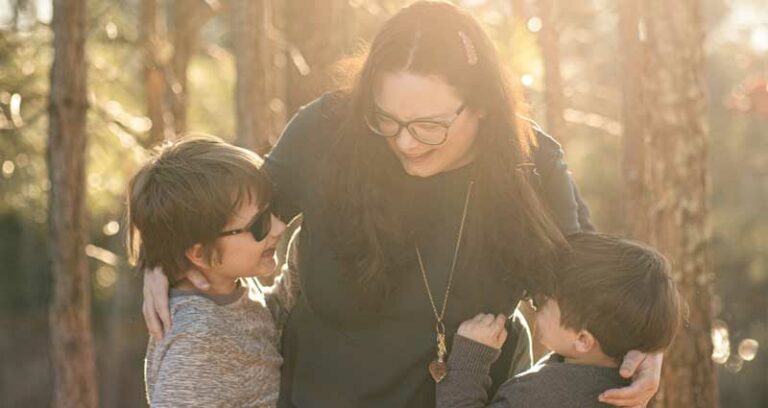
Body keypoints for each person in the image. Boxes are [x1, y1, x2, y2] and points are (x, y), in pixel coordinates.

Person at [143, 2, 662, 407]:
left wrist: (647, 349)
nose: (406, 143)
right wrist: (159, 259)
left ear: (481, 105)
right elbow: (223, 217)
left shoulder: (533, 165)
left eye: (429, 126)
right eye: (385, 120)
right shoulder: (328, 130)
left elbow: (600, 289)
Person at [128, 136, 297, 407]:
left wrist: (306, 247)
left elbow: (266, 323)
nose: (279, 228)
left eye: (272, 210)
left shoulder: (230, 287)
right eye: (260, 225)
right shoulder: (195, 344)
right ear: (199, 253)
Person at [437, 233, 682, 407]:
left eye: (546, 301)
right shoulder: (616, 386)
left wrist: (469, 363)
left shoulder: (539, 396)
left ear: (583, 339)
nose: (534, 302)